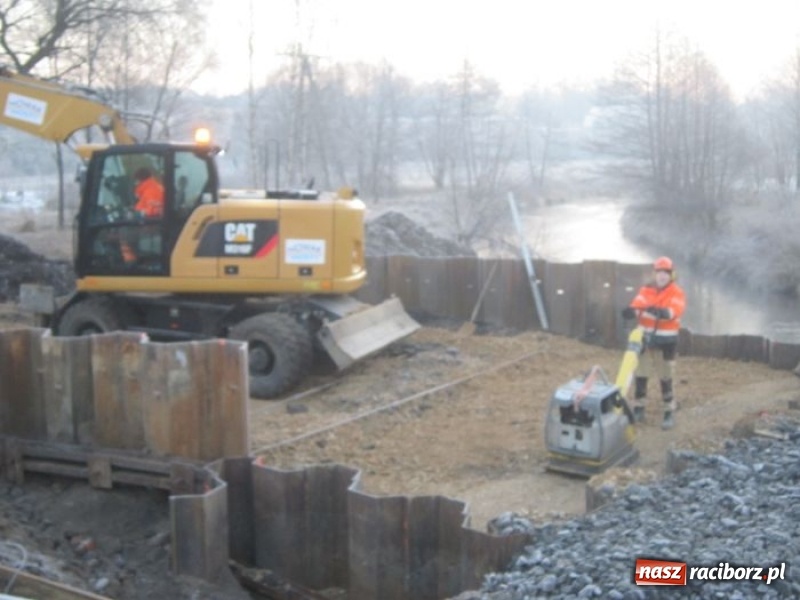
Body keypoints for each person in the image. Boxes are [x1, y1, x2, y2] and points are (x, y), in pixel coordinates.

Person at [621, 256, 686, 430]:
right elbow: (636, 307)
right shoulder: (645, 291)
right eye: (659, 272)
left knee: (666, 377)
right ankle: (639, 407)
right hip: (645, 340)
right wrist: (630, 312)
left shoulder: (676, 292)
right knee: (641, 374)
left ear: (671, 275)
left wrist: (659, 311)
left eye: (666, 273)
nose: (662, 276)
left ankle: (668, 412)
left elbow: (673, 311)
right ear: (654, 274)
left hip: (666, 342)